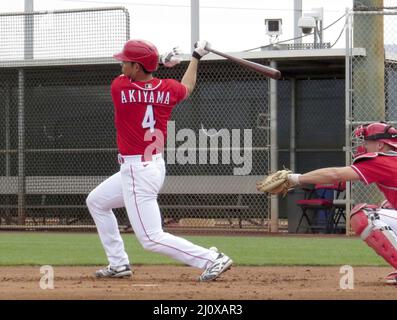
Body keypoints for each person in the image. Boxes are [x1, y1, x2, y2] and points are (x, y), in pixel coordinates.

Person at [86, 39, 232, 282]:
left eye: (126, 62)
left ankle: (211, 259)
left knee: (151, 237)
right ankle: (118, 264)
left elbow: (138, 78)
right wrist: (196, 57)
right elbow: (187, 85)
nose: (122, 64)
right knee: (97, 202)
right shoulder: (168, 88)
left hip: (137, 170)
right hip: (152, 165)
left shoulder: (119, 88)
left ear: (136, 67)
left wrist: (162, 62)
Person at [258, 122, 397, 284]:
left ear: (380, 145)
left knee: (364, 216)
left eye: (367, 142)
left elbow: (335, 174)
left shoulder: (381, 160)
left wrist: (294, 179)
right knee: (386, 207)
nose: (363, 146)